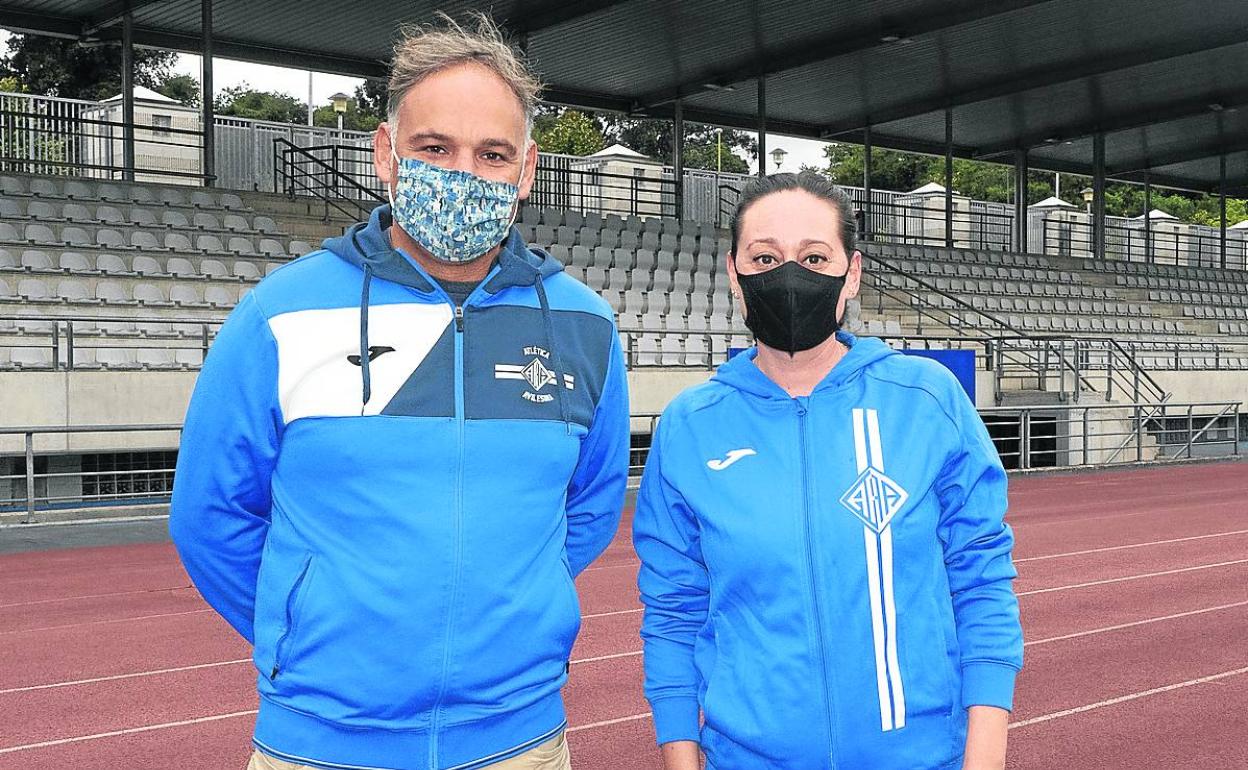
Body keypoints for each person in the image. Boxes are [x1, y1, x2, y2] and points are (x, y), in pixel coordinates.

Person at [170, 14, 629, 770]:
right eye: (434, 148)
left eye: (492, 154)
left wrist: (511, 613)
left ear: (527, 170)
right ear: (387, 153)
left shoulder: (585, 324)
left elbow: (590, 503)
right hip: (318, 744)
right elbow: (210, 514)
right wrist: (318, 632)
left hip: (522, 742)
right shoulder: (280, 313)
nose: (463, 174)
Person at [633, 172, 1022, 770]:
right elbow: (673, 608)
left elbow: (981, 575)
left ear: (852, 273)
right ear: (735, 275)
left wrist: (985, 754)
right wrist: (682, 758)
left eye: (815, 257)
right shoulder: (690, 426)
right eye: (765, 257)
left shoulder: (925, 400)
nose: (789, 276)